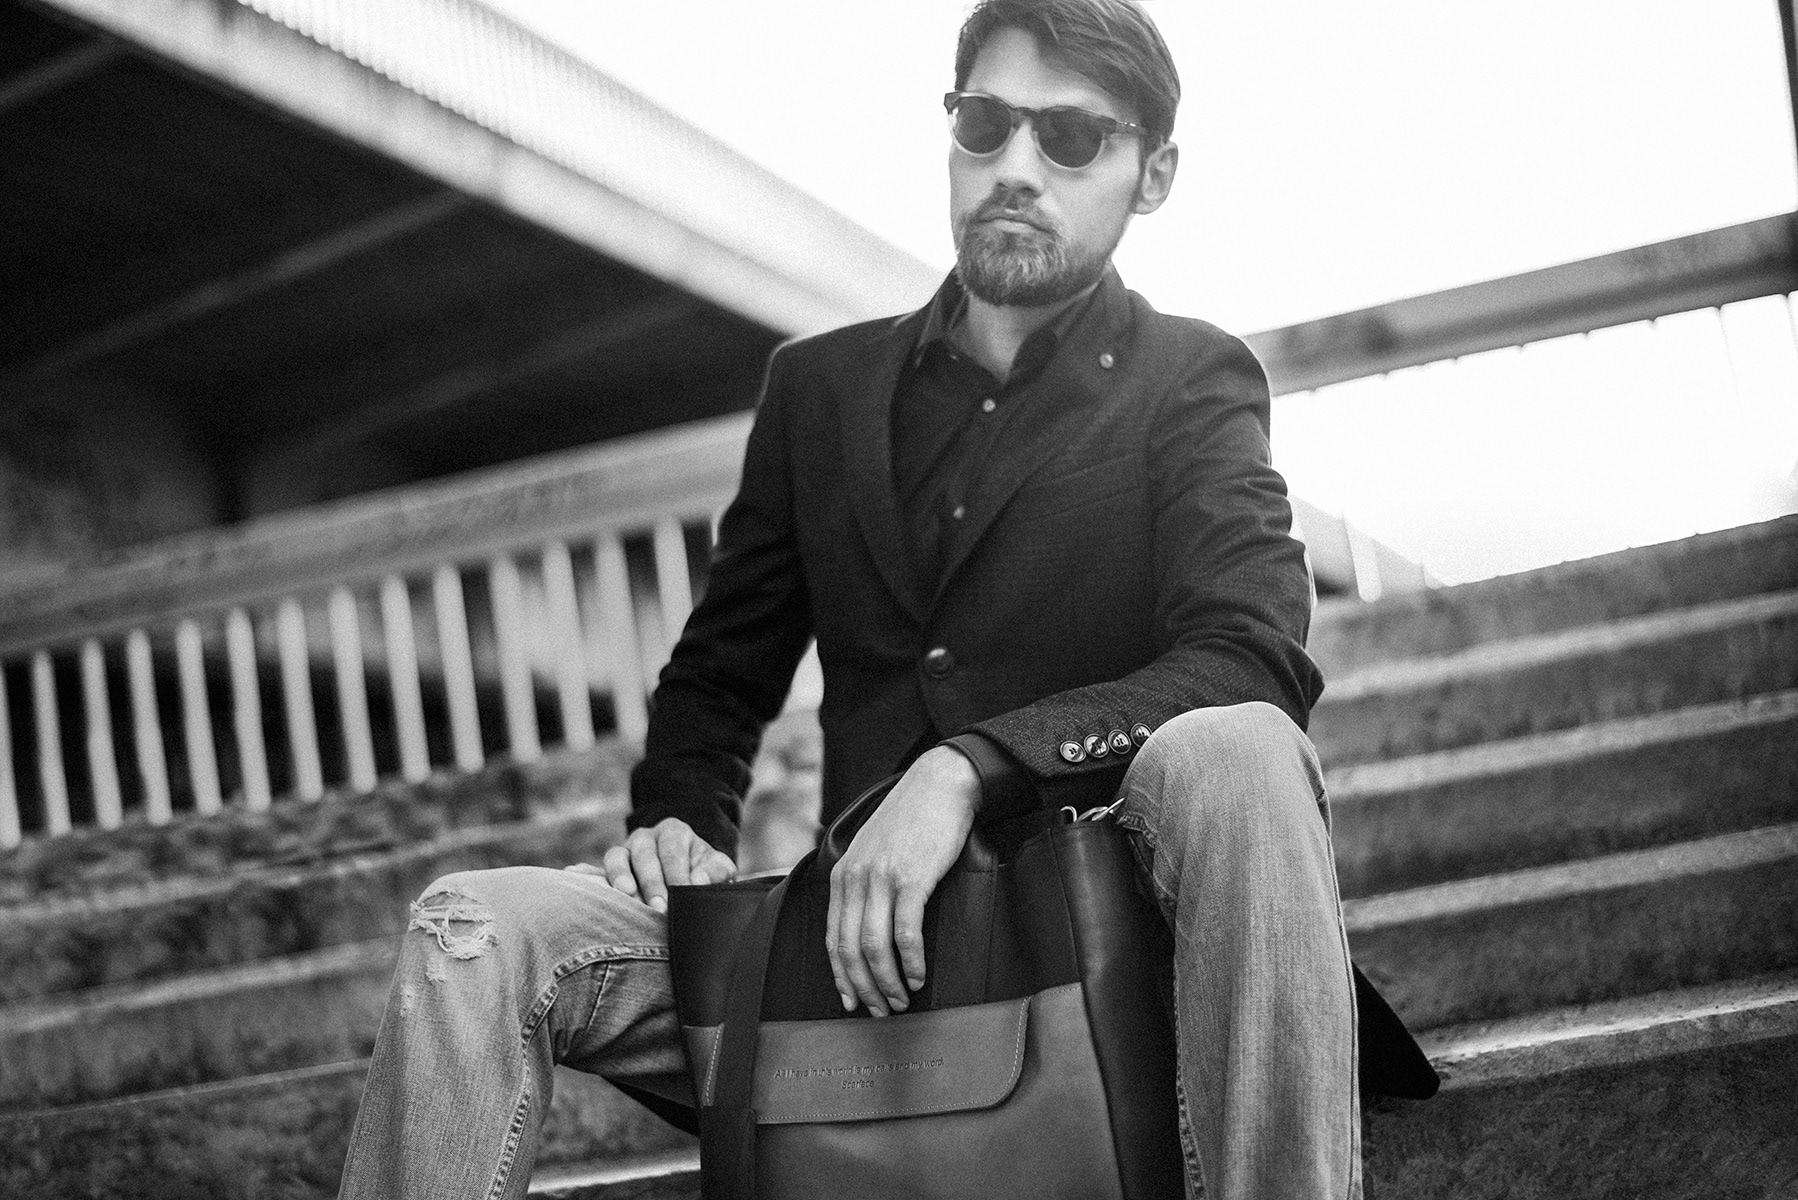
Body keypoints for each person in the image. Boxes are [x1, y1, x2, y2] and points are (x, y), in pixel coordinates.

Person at [340, 2, 1374, 1196]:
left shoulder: (1190, 377)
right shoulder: (817, 390)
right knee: (471, 926)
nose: (1015, 167)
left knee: (1240, 749)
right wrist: (679, 821)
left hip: (1109, 933)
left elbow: (1249, 656)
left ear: (1153, 175)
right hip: (849, 956)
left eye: (1069, 138)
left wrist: (969, 770)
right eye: (984, 124)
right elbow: (717, 677)